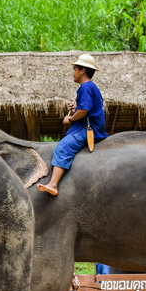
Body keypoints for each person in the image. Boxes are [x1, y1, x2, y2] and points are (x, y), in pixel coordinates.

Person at [38, 54, 108, 196]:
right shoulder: (91, 87)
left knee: (62, 148)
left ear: (82, 70)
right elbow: (85, 109)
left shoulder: (86, 87)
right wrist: (75, 110)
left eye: (75, 69)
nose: (73, 72)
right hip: (93, 127)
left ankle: (53, 184)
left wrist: (69, 120)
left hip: (87, 129)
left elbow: (84, 111)